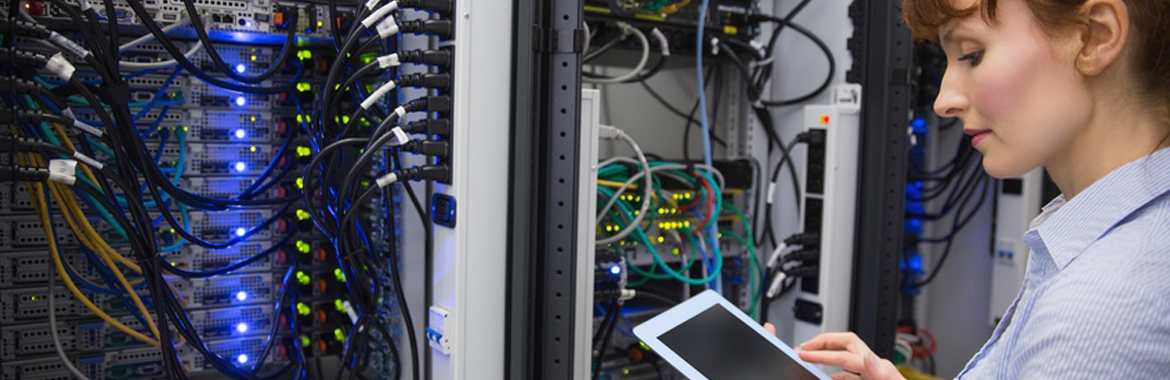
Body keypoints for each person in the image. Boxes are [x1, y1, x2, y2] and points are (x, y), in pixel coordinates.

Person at [765, 0, 1170, 378]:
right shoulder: (1125, 239)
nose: (943, 101)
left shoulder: (1096, 312)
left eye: (972, 55)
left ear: (1095, 35)